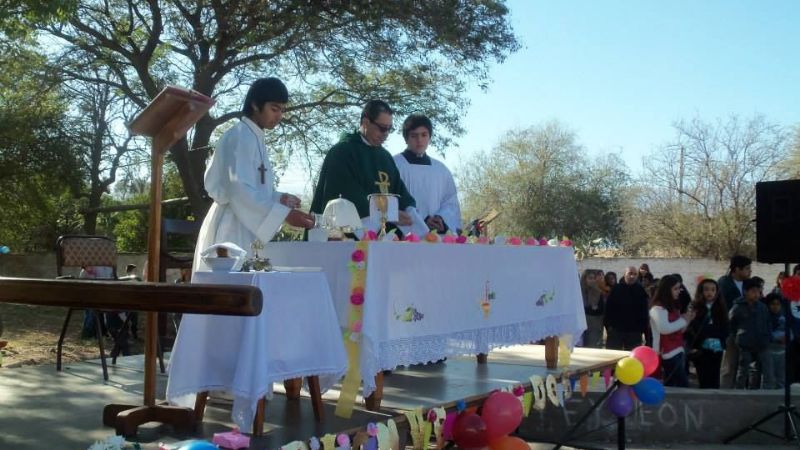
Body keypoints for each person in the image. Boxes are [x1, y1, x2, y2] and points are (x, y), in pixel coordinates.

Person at [193, 77, 315, 272]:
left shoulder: (255, 137)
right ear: (255, 105)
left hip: (247, 223)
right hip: (232, 227)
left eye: (282, 110)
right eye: (274, 109)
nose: (279, 116)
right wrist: (284, 215)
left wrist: (279, 198)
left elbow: (254, 189)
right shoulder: (240, 136)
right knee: (232, 285)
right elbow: (238, 191)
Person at [309, 100, 425, 235]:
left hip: (381, 236)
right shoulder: (342, 152)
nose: (386, 134)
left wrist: (410, 209)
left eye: (389, 129)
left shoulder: (385, 157)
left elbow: (399, 190)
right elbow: (344, 197)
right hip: (346, 235)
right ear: (365, 122)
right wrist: (388, 213)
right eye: (382, 128)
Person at [392, 114, 461, 234]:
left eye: (424, 135)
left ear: (430, 137)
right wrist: (421, 221)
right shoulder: (394, 165)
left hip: (436, 236)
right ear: (406, 138)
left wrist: (441, 219)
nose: (419, 140)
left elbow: (450, 202)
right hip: (404, 236)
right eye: (414, 135)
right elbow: (389, 202)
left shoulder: (441, 170)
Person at [649, 275, 694, 387]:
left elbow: (679, 330)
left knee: (673, 384)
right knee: (682, 384)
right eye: (675, 289)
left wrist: (689, 319)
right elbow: (665, 329)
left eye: (679, 288)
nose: (679, 291)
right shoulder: (657, 308)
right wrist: (684, 320)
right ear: (666, 290)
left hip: (677, 350)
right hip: (666, 353)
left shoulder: (673, 307)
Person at [730, 278, 774, 389]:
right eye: (753, 291)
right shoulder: (738, 307)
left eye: (758, 291)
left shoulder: (762, 307)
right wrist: (737, 337)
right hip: (745, 343)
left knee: (765, 369)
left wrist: (769, 337)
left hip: (762, 342)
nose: (756, 294)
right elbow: (731, 324)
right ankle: (739, 391)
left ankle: (759, 391)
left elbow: (768, 323)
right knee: (743, 369)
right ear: (745, 291)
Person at [685, 279, 728, 388]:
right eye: (706, 290)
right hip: (701, 348)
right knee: (703, 377)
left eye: (713, 290)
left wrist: (711, 330)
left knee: (715, 378)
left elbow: (724, 327)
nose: (710, 293)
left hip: (717, 348)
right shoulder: (695, 306)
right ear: (701, 291)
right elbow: (695, 327)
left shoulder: (720, 307)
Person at [718, 254, 752, 388]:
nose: (750, 271)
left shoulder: (749, 284)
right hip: (731, 330)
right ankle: (725, 392)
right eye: (747, 268)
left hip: (748, 330)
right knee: (729, 365)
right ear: (737, 269)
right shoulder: (724, 284)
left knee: (744, 366)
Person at [604, 266, 650, 350]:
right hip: (616, 330)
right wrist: (609, 327)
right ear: (624, 274)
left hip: (634, 331)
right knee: (612, 354)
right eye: (630, 273)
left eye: (635, 274)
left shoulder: (640, 290)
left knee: (632, 355)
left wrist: (642, 329)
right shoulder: (616, 289)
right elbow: (608, 309)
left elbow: (644, 312)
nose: (632, 276)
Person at [765, 293, 787, 389]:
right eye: (773, 304)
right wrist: (776, 338)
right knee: (769, 377)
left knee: (781, 377)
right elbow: (764, 333)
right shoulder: (765, 318)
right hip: (768, 350)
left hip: (782, 350)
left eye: (778, 304)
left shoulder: (784, 317)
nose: (775, 307)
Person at [580, 269, 605, 348]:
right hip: (581, 324)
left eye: (594, 278)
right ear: (584, 279)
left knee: (593, 347)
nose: (592, 280)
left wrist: (591, 308)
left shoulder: (598, 291)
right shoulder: (579, 291)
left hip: (595, 324)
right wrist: (591, 307)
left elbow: (600, 309)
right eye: (590, 278)